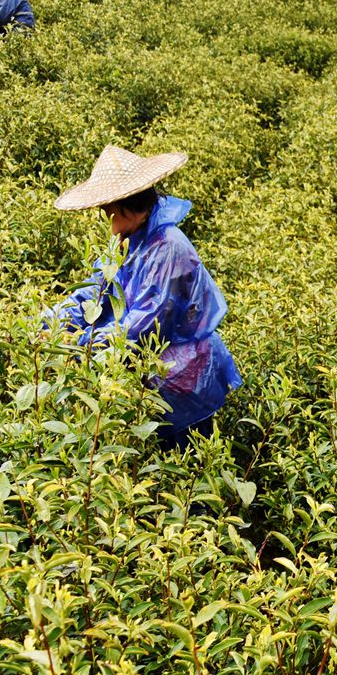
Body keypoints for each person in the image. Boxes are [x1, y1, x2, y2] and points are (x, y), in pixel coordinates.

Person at [51, 145, 242, 449]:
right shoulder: (128, 242)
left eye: (110, 212)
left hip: (183, 380)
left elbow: (147, 324)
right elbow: (96, 289)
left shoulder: (169, 248)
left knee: (186, 467)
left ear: (132, 207)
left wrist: (85, 345)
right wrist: (53, 321)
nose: (108, 220)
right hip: (151, 378)